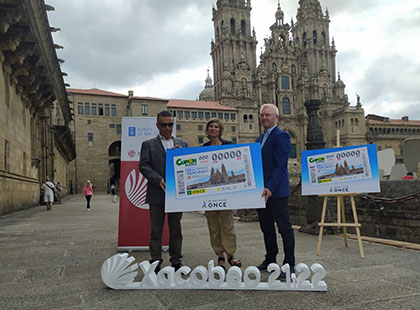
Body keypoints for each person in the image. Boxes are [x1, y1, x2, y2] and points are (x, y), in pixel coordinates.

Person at [139, 111, 188, 273]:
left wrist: (183, 156)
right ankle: (155, 261)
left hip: (176, 194)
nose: (167, 128)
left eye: (170, 124)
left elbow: (189, 166)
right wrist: (157, 179)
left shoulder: (183, 144)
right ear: (157, 126)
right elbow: (144, 166)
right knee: (156, 230)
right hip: (156, 193)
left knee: (176, 229)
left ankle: (176, 260)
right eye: (164, 125)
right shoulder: (148, 144)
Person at [255, 103, 295, 279]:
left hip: (276, 192)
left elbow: (280, 166)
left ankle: (289, 264)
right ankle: (270, 259)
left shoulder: (281, 136)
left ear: (276, 117)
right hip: (261, 193)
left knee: (285, 228)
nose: (264, 118)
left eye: (268, 115)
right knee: (266, 228)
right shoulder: (259, 140)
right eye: (262, 115)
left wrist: (270, 187)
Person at [202, 119, 241, 270]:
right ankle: (219, 255)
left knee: (227, 225)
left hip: (227, 195)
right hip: (209, 196)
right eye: (210, 126)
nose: (213, 129)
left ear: (220, 130)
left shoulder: (229, 146)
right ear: (207, 130)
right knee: (213, 226)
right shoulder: (202, 149)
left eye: (216, 127)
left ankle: (231, 255)